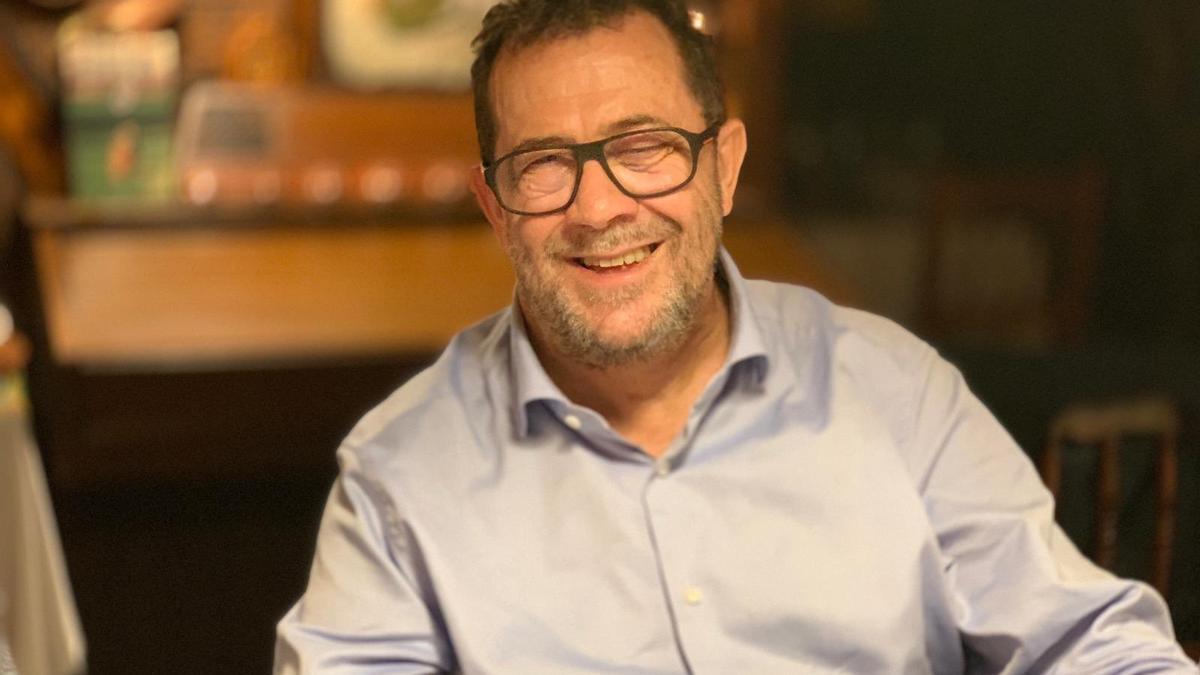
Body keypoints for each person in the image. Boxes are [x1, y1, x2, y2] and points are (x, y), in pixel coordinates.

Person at [275, 1, 1200, 672]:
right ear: (493, 206)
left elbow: (1096, 643)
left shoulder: (893, 390)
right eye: (544, 165)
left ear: (724, 166)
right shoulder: (400, 477)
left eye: (643, 147)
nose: (600, 209)